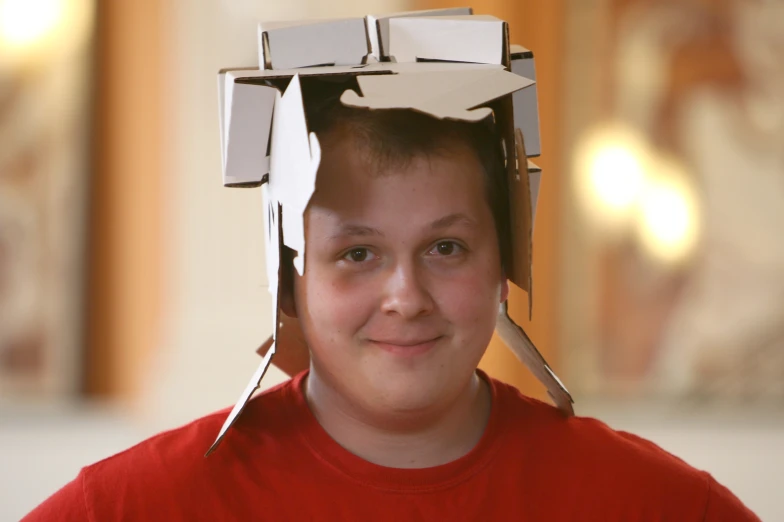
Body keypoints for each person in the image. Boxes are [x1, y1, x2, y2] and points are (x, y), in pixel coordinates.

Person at [23, 78, 760, 521]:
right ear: (291, 275)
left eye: (446, 248)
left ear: (505, 265)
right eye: (357, 254)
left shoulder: (652, 505)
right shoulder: (137, 507)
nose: (406, 297)